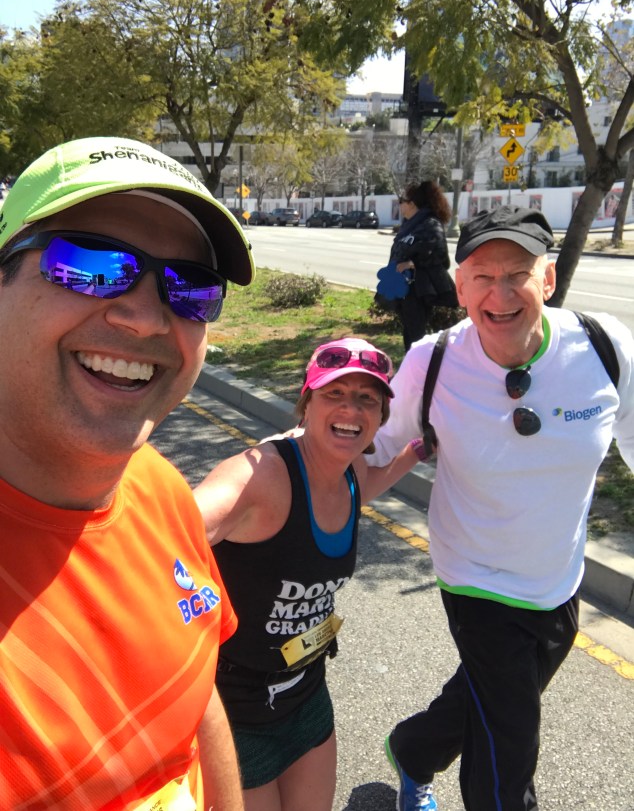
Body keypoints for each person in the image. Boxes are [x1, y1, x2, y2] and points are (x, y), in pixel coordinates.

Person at [0, 135, 257, 810]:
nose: (145, 319)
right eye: (89, 264)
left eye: (189, 288)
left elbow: (194, 697)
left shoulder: (159, 486)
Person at [368, 206, 634, 811]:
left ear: (549, 279)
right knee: (507, 746)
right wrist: (281, 468)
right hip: (475, 578)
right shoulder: (431, 363)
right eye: (483, 277)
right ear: (460, 287)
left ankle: (413, 749)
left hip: (558, 578)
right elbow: (369, 448)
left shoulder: (603, 347)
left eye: (518, 274)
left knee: (492, 699)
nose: (501, 294)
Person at [194, 338, 425, 811]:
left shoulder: (350, 470)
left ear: (381, 415)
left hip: (306, 689)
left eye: (366, 399)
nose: (351, 409)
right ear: (307, 403)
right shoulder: (260, 477)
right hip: (236, 705)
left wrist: (415, 453)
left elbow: (365, 489)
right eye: (333, 394)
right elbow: (159, 539)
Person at [389, 180, 456, 351]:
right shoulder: (409, 225)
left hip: (419, 289)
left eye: (401, 201)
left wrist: (412, 264)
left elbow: (441, 256)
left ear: (412, 204)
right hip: (403, 287)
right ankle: (412, 361)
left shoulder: (430, 223)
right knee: (409, 331)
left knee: (416, 334)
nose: (400, 205)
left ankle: (419, 363)